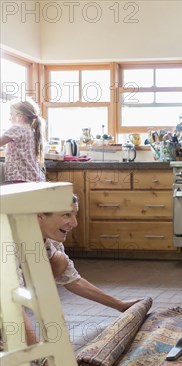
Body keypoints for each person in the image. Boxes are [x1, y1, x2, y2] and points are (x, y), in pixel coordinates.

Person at [22, 195, 145, 348]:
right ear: (39, 216)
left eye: (75, 215)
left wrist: (120, 305)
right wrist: (42, 357)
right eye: (67, 215)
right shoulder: (10, 244)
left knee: (60, 261)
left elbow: (73, 280)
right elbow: (11, 303)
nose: (74, 223)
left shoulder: (50, 239)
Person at [0, 98, 47, 183]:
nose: (9, 118)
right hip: (33, 177)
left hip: (21, 177)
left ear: (20, 116)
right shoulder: (31, 131)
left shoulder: (16, 129)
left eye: (11, 114)